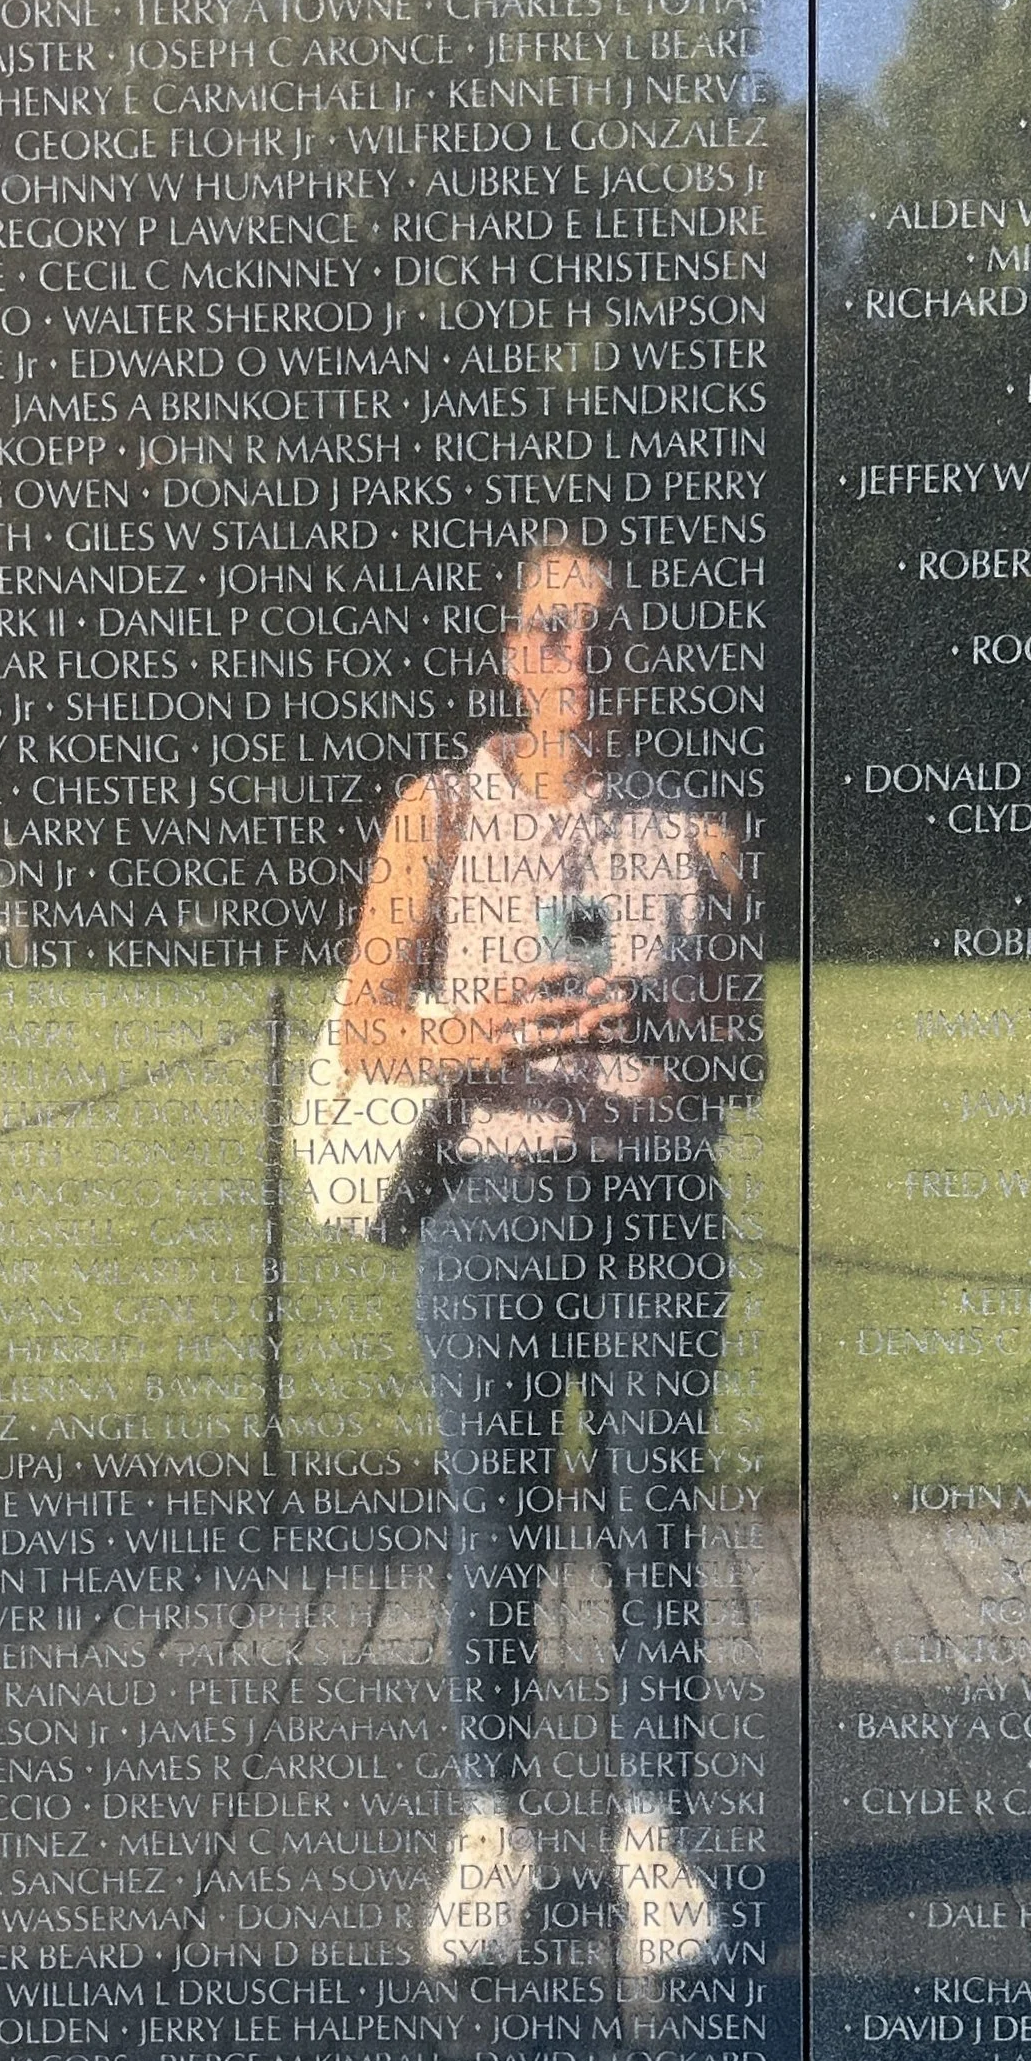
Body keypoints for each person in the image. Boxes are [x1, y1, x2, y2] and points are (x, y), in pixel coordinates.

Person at [339, 542, 762, 1981]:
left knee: (653, 1541)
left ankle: (653, 1839)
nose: (581, 657)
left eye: (608, 635)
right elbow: (364, 1025)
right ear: (514, 654)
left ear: (637, 663)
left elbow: (747, 1057)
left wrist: (650, 1024)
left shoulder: (701, 834)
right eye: (554, 631)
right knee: (496, 1541)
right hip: (492, 1207)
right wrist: (483, 1033)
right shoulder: (437, 815)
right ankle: (494, 1834)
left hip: (655, 1215)